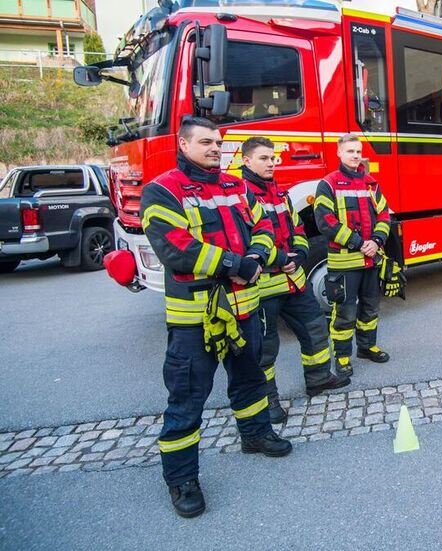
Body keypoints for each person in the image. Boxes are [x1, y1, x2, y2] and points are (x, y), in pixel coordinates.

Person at [140, 117, 291, 519]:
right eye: (206, 141)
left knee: (250, 379)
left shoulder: (237, 186)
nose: (214, 148)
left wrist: (255, 257)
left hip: (243, 309)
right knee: (187, 399)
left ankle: (255, 434)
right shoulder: (162, 190)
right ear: (183, 144)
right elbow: (177, 249)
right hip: (196, 319)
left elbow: (263, 227)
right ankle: (182, 478)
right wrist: (233, 264)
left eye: (219, 142)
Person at [240, 137, 350, 425]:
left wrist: (300, 254)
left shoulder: (280, 194)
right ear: (246, 161)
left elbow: (298, 229)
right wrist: (279, 259)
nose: (271, 163)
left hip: (293, 281)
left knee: (315, 328)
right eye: (263, 158)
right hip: (262, 287)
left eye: (272, 157)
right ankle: (268, 401)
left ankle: (318, 379)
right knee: (265, 349)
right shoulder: (239, 195)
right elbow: (243, 242)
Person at [314, 134, 392, 373]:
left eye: (358, 151)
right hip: (345, 263)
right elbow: (325, 222)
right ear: (339, 153)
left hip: (370, 261)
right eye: (350, 151)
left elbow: (384, 215)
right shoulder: (328, 184)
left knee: (370, 307)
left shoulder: (371, 183)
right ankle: (342, 356)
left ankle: (367, 347)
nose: (355, 156)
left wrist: (377, 240)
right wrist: (360, 243)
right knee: (344, 312)